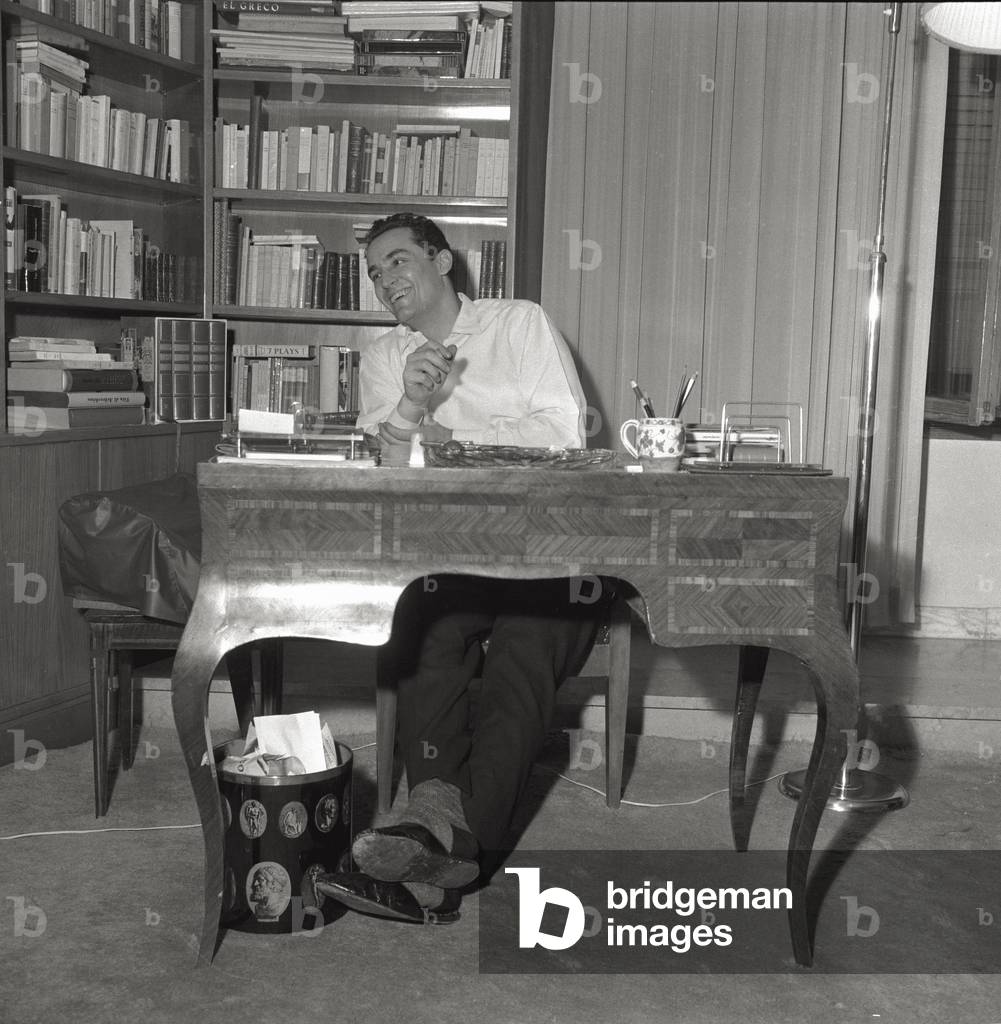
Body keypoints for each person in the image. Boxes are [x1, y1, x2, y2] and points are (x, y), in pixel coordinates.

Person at [315, 213, 601, 925]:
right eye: (376, 273)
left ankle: (438, 851)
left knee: (525, 651)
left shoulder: (517, 323)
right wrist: (412, 407)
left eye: (400, 261)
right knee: (427, 633)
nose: (387, 281)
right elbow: (388, 469)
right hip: (453, 557)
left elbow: (563, 433)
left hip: (552, 552)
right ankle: (440, 835)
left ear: (443, 260)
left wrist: (451, 440)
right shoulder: (384, 356)